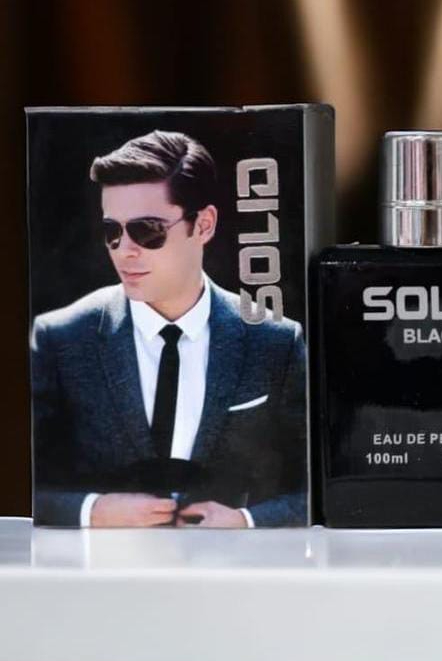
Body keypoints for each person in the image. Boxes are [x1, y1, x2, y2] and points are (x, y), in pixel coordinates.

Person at [31, 130, 307, 528]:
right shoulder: (61, 337)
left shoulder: (275, 340)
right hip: (98, 564)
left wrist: (245, 521)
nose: (125, 250)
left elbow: (312, 489)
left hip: (234, 563)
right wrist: (92, 510)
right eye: (112, 231)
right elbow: (25, 486)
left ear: (204, 225)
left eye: (147, 230)